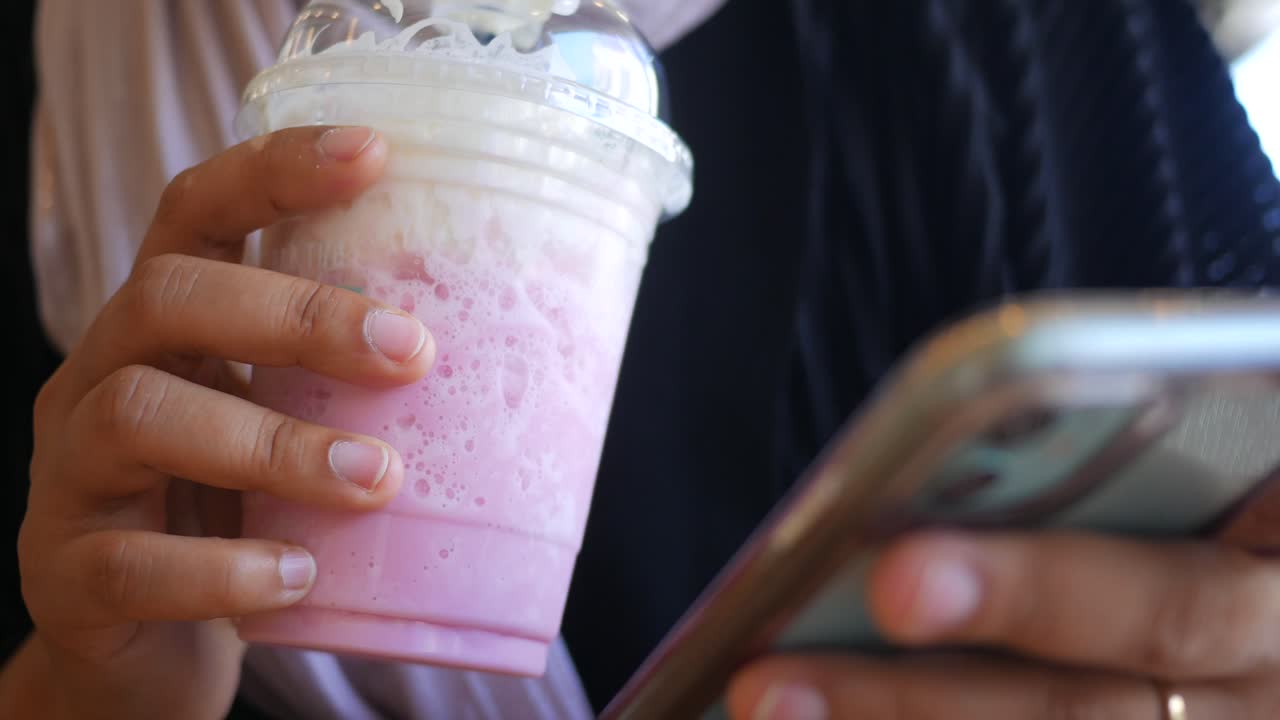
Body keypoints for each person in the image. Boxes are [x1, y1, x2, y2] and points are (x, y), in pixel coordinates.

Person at [5, 1, 1280, 719]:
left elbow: (1238, 428)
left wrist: (1212, 661)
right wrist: (96, 696)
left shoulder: (1046, 48)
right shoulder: (83, 82)